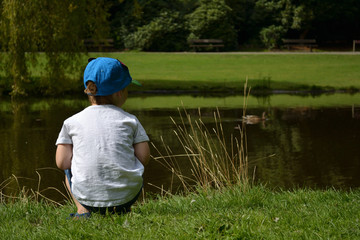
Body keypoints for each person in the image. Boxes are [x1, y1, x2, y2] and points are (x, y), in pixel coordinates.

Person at [55, 57, 150, 218]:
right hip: (127, 198)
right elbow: (144, 157)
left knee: (67, 168)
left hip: (87, 198)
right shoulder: (130, 120)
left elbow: (61, 162)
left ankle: (82, 210)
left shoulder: (71, 122)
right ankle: (121, 208)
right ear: (119, 92)